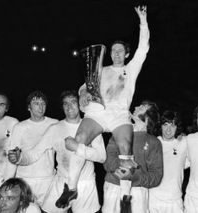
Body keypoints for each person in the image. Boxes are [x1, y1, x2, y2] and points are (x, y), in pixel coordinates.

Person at [60, 5, 150, 208]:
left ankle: (125, 198)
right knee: (80, 139)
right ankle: (71, 189)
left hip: (119, 115)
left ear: (126, 54)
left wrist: (142, 21)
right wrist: (82, 94)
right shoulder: (101, 70)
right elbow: (85, 86)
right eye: (113, 51)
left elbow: (143, 48)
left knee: (125, 148)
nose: (116, 54)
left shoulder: (131, 69)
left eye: (120, 51)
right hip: (98, 113)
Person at [8, 90, 106, 213]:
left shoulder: (93, 126)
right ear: (62, 107)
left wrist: (77, 147)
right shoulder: (55, 128)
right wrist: (19, 158)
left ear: (80, 105)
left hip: (86, 184)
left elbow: (102, 156)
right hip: (61, 182)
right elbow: (34, 153)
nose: (69, 107)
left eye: (73, 102)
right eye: (65, 104)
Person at [101, 100, 163, 213]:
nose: (136, 106)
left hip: (138, 193)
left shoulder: (154, 142)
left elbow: (156, 177)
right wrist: (122, 166)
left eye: (142, 107)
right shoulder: (119, 132)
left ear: (148, 118)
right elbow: (107, 161)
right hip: (113, 187)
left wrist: (134, 175)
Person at [5, 91, 58, 206]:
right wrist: (7, 183)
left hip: (48, 180)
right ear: (29, 107)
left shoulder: (55, 124)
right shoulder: (20, 127)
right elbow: (13, 156)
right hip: (25, 180)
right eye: (36, 103)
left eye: (43, 103)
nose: (40, 106)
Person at [149, 110, 188, 213]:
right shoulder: (152, 143)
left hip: (175, 202)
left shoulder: (184, 143)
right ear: (160, 126)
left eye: (173, 126)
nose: (168, 130)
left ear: (177, 128)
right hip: (153, 200)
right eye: (165, 125)